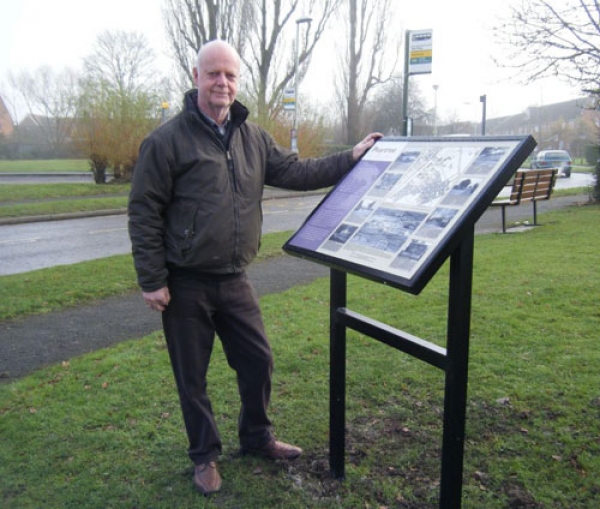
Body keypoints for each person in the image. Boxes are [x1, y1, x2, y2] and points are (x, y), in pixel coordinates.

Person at [128, 39, 382, 496]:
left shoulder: (252, 137)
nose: (222, 83)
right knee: (193, 377)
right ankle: (204, 457)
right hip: (185, 281)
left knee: (258, 359)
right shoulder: (166, 142)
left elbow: (299, 173)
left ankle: (256, 436)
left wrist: (350, 158)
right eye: (213, 74)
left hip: (235, 278)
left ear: (237, 81)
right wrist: (153, 280)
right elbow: (144, 211)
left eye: (230, 75)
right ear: (196, 77)